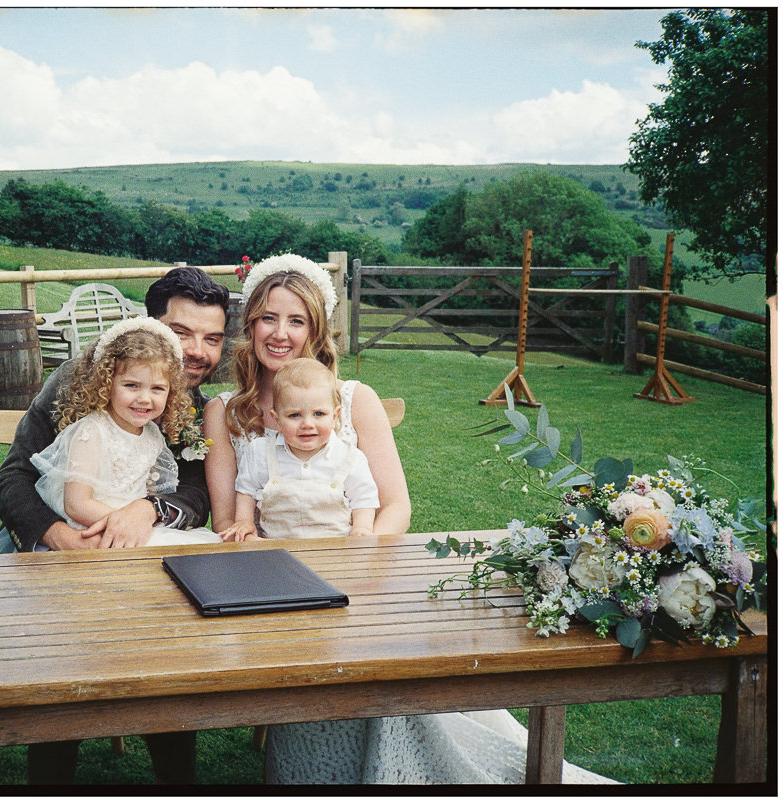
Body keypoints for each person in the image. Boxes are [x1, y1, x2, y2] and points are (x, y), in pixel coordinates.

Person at [203, 254, 611, 785]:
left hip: (361, 566)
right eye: (268, 319)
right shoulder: (225, 411)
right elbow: (230, 523)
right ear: (249, 323)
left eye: (297, 320)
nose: (280, 334)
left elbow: (395, 505)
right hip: (273, 584)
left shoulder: (354, 399)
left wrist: (358, 557)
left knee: (395, 668)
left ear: (317, 329)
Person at [0, 266, 229, 785]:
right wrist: (55, 533)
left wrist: (149, 508)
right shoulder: (80, 384)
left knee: (170, 636)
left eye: (211, 338)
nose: (197, 351)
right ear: (148, 326)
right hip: (53, 543)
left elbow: (194, 492)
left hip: (134, 548)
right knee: (59, 642)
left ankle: (175, 775)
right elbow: (12, 478)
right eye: (182, 333)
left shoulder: (189, 405)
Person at [31, 317, 221, 547]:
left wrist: (145, 522)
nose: (144, 398)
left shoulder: (152, 434)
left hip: (133, 528)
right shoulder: (92, 431)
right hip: (93, 529)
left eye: (158, 388)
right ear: (106, 383)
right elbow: (76, 504)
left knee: (203, 550)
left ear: (171, 393)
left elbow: (151, 494)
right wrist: (126, 524)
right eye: (131, 385)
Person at [217, 358, 377, 542]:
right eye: (294, 415)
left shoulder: (349, 458)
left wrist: (362, 528)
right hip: (276, 550)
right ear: (276, 419)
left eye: (319, 414)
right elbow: (246, 490)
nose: (307, 424)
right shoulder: (261, 453)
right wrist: (244, 521)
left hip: (335, 548)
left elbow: (363, 499)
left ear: (335, 416)